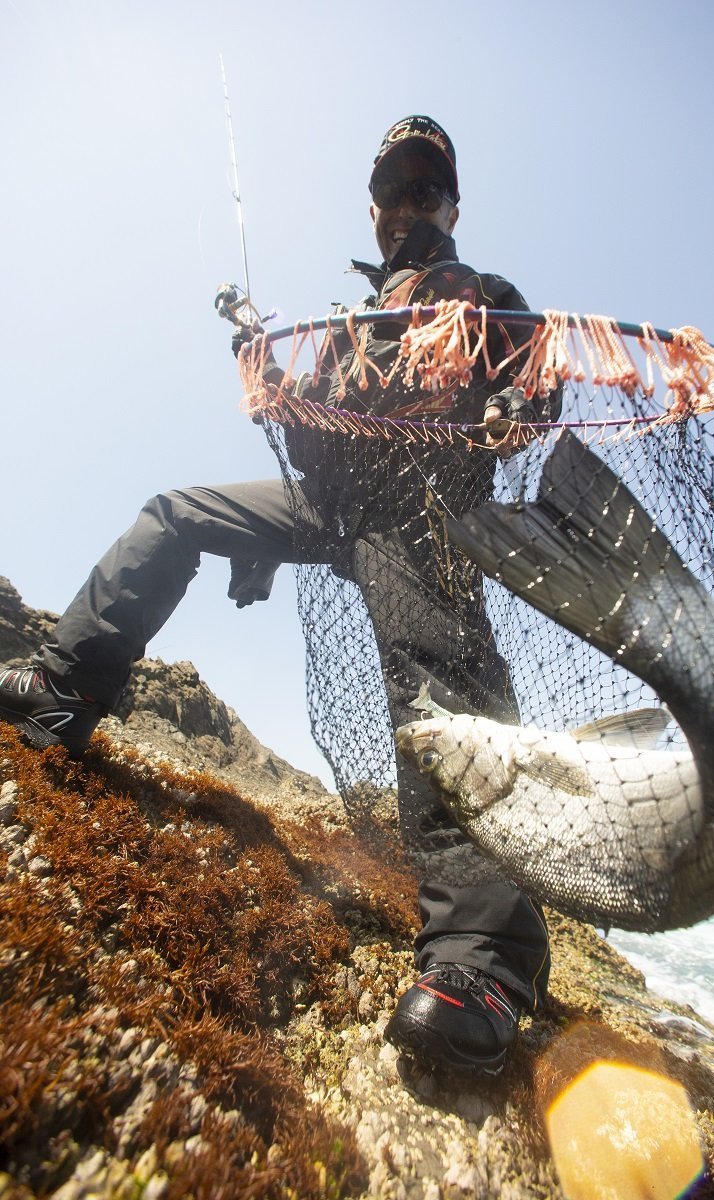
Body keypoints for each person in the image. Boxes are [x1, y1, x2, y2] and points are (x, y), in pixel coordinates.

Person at [0, 116, 556, 1077]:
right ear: (374, 210)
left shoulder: (490, 297)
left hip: (424, 514)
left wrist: (513, 410)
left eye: (428, 190)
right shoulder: (351, 321)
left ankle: (487, 962)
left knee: (437, 694)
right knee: (176, 514)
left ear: (453, 205)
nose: (408, 206)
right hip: (333, 506)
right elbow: (311, 433)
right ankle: (63, 687)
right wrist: (265, 363)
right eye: (393, 192)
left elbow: (533, 386)